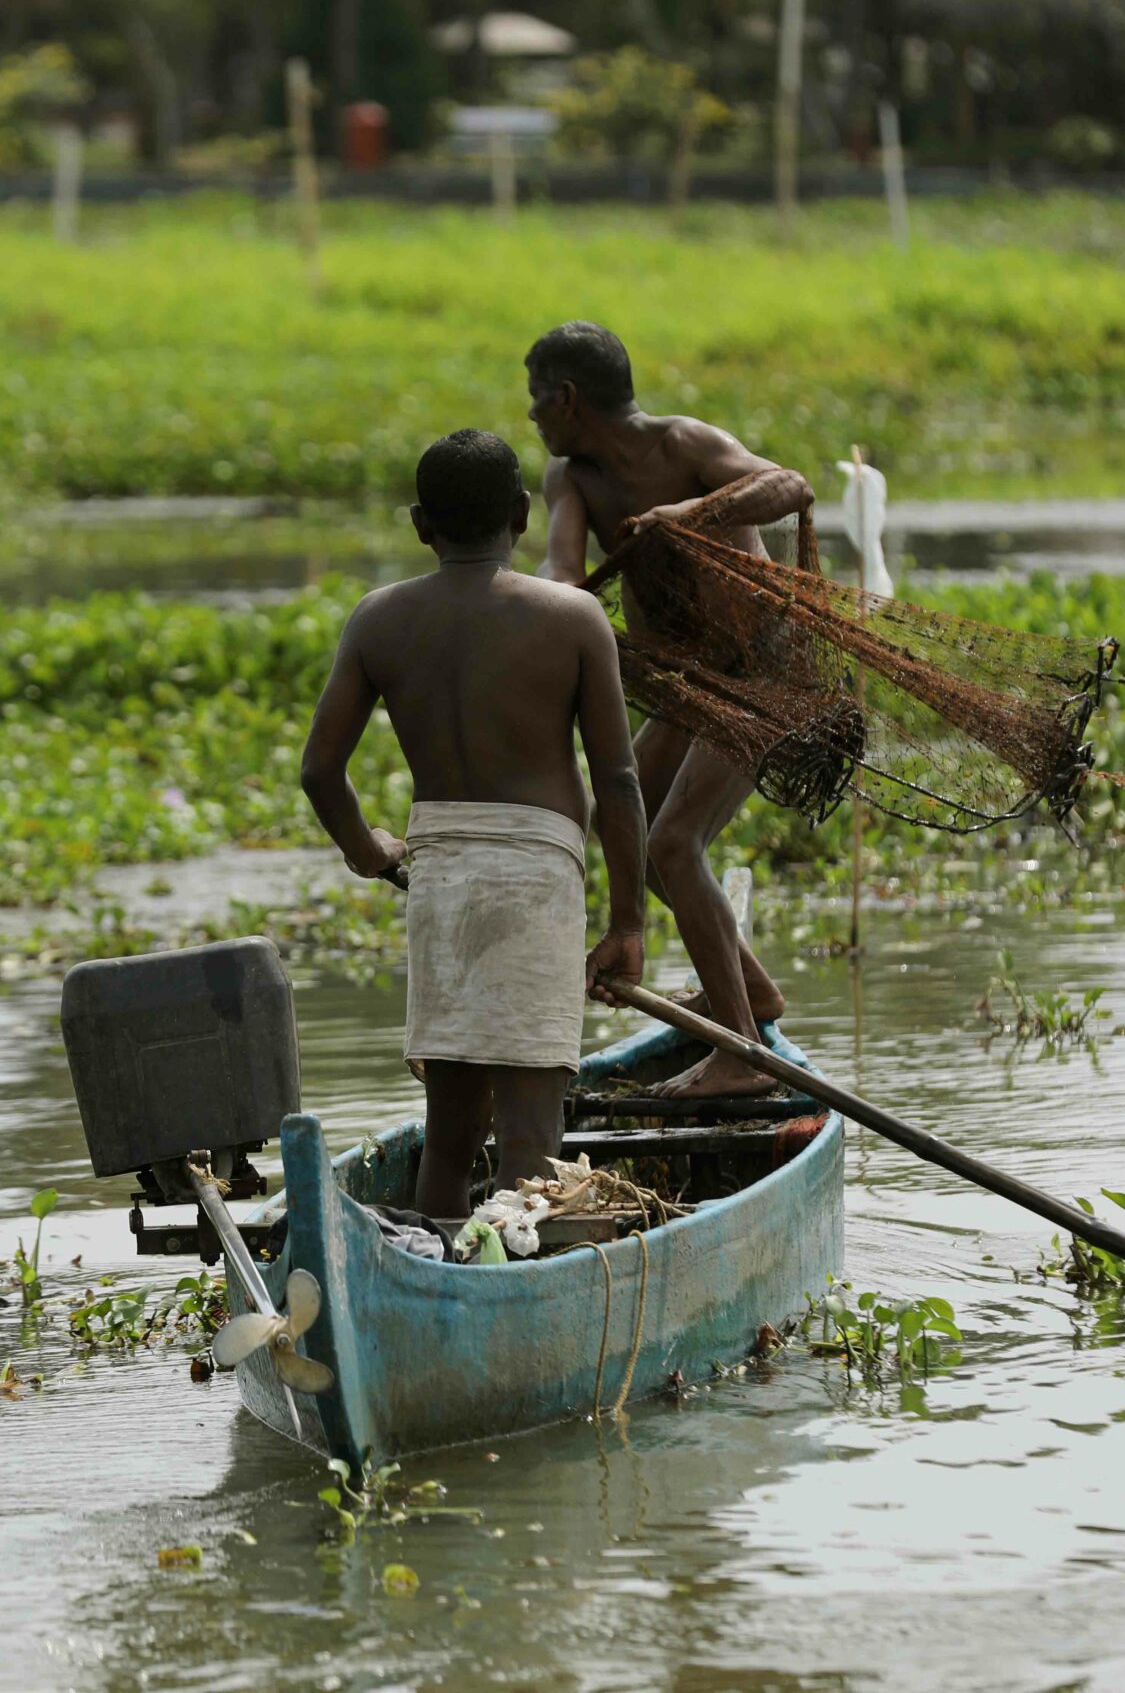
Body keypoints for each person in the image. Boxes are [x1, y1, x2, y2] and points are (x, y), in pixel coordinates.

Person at [300, 429, 649, 1218]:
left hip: (442, 883)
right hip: (536, 884)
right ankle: (517, 1285)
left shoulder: (379, 619)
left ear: (421, 524)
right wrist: (627, 922)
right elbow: (619, 780)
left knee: (450, 1135)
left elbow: (320, 771)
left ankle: (437, 1257)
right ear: (523, 515)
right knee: (532, 1138)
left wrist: (370, 850)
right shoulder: (574, 618)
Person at [524, 320, 815, 1099]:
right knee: (618, 824)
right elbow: (562, 565)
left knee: (675, 840)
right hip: (693, 684)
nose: (531, 419)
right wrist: (520, 604)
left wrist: (690, 515)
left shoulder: (683, 443)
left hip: (762, 671)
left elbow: (790, 485)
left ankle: (743, 1055)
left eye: (534, 401)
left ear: (567, 397)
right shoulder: (570, 478)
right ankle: (748, 993)